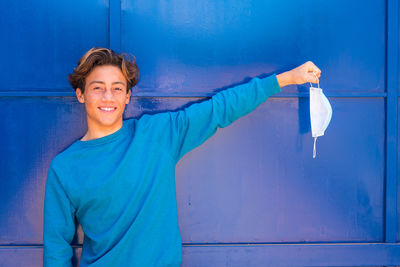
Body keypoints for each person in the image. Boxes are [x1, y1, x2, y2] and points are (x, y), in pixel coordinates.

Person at [43, 47, 321, 267]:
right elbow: (56, 252)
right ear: (81, 95)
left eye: (117, 88)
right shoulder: (64, 168)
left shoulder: (158, 135)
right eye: (97, 87)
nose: (108, 96)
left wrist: (286, 79)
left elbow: (219, 110)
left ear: (128, 96)